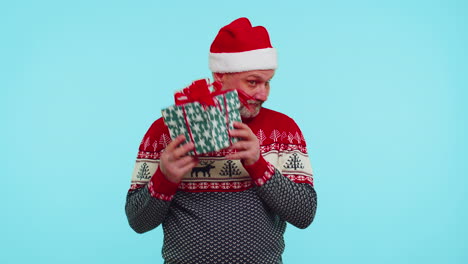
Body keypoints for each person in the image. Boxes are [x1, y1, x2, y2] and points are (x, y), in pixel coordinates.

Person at [125, 17, 317, 264]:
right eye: (253, 82)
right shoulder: (166, 132)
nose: (263, 94)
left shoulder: (283, 130)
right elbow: (138, 222)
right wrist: (164, 177)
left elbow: (304, 215)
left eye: (268, 82)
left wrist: (258, 165)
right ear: (220, 75)